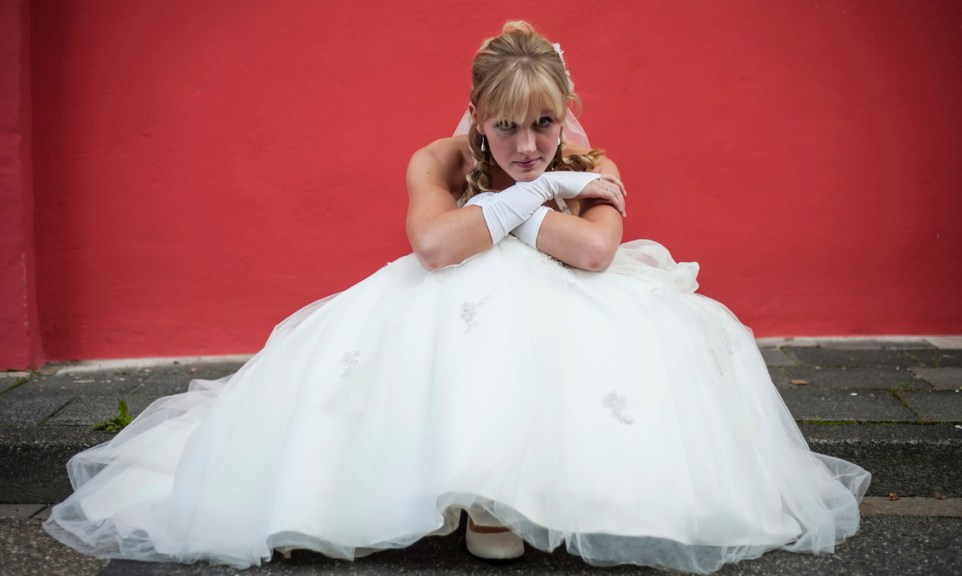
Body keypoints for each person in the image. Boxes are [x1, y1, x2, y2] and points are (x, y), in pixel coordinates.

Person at [44, 21, 870, 574]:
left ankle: (528, 491)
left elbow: (591, 252)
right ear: (476, 119)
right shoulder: (436, 158)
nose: (527, 145)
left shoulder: (593, 160)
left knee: (563, 313)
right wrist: (518, 205)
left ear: (566, 115)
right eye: (506, 126)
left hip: (569, 304)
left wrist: (550, 196)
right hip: (452, 290)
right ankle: (450, 488)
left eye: (544, 124)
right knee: (459, 297)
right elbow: (436, 246)